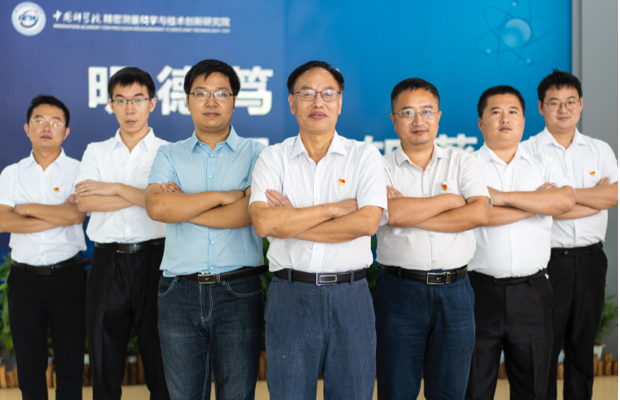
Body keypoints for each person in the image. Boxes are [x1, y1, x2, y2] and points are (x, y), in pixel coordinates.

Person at [248, 60, 385, 400]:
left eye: (327, 94)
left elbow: (367, 223)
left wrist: (291, 220)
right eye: (307, 94)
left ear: (340, 102)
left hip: (351, 296)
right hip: (291, 295)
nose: (318, 102)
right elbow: (264, 223)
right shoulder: (272, 158)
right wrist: (333, 210)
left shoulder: (364, 155)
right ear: (292, 103)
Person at [144, 59, 266, 400]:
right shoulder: (169, 154)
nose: (211, 101)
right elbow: (158, 208)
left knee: (237, 394)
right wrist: (222, 197)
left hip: (239, 291)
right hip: (178, 292)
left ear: (234, 100)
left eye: (221, 93)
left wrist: (184, 205)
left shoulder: (257, 153)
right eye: (201, 93)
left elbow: (249, 214)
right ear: (187, 100)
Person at [374, 78, 490, 400]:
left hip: (455, 293)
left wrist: (408, 212)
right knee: (396, 392)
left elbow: (479, 213)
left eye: (426, 111)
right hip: (399, 293)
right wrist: (451, 201)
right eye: (408, 112)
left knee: (450, 393)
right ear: (394, 119)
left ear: (438, 117)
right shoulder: (378, 166)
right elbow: (387, 214)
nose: (418, 120)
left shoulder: (463, 161)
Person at [465, 86, 575, 399]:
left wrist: (500, 197)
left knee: (535, 388)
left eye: (513, 112)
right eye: (496, 112)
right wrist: (536, 204)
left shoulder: (543, 163)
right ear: (480, 122)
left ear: (524, 121)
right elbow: (476, 216)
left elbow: (565, 201)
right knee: (474, 388)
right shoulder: (466, 165)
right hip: (478, 291)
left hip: (532, 293)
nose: (505, 119)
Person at [521, 70, 618, 400]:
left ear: (581, 104)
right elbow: (537, 208)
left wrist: (561, 198)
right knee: (544, 349)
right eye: (554, 103)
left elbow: (613, 196)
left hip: (591, 260)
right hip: (548, 262)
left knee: (582, 348)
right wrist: (591, 198)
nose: (563, 109)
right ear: (540, 107)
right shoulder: (527, 152)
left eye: (570, 102)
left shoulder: (599, 150)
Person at [74, 67, 169, 400]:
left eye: (138, 99)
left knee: (161, 358)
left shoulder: (168, 151)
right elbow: (86, 201)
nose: (130, 108)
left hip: (157, 259)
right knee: (104, 360)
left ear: (152, 103)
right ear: (111, 104)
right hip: (107, 261)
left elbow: (166, 206)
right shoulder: (96, 151)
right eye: (121, 100)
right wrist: (146, 196)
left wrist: (112, 187)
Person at [0, 95, 88, 399]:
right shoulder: (11, 173)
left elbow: (76, 215)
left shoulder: (80, 170)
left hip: (68, 277)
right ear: (27, 128)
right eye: (39, 120)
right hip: (23, 279)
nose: (46, 127)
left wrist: (25, 209)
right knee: (29, 364)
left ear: (66, 131)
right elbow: (2, 220)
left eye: (55, 122)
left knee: (70, 361)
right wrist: (57, 214)